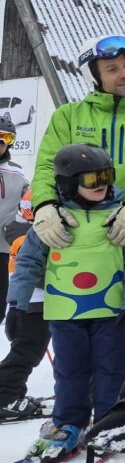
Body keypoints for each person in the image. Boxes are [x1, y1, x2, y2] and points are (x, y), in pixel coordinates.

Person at [31, 35, 125, 348]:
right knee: (84, 332)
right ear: (93, 77)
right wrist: (44, 206)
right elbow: (46, 167)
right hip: (80, 239)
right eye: (112, 69)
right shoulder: (68, 116)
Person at [10, 144, 125, 461]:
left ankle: (108, 422)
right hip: (65, 311)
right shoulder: (52, 221)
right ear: (70, 182)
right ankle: (69, 423)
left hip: (111, 311)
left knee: (111, 370)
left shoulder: (122, 219)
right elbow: (28, 264)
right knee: (70, 371)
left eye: (106, 176)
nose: (102, 184)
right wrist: (17, 305)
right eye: (92, 179)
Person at [0, 188, 50, 422]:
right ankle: (6, 396)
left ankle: (13, 393)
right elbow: (34, 271)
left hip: (29, 300)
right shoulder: (26, 236)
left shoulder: (20, 231)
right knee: (28, 351)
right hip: (34, 301)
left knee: (26, 349)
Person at [0, 116, 28, 322]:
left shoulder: (17, 173)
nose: (0, 143)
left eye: (5, 138)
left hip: (3, 247)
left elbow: (30, 204)